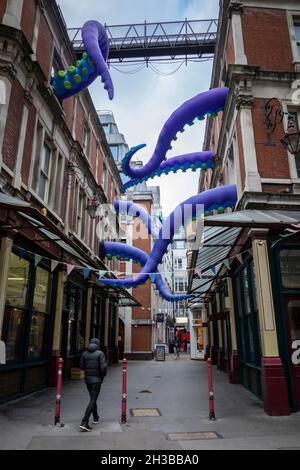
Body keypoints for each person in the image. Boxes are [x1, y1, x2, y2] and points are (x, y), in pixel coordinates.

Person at [79, 338, 107, 432]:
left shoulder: (84, 353)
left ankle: (95, 417)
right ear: (98, 344)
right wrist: (102, 376)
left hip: (88, 380)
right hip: (97, 380)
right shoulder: (100, 353)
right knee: (93, 400)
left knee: (92, 399)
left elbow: (82, 367)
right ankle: (84, 421)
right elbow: (103, 367)